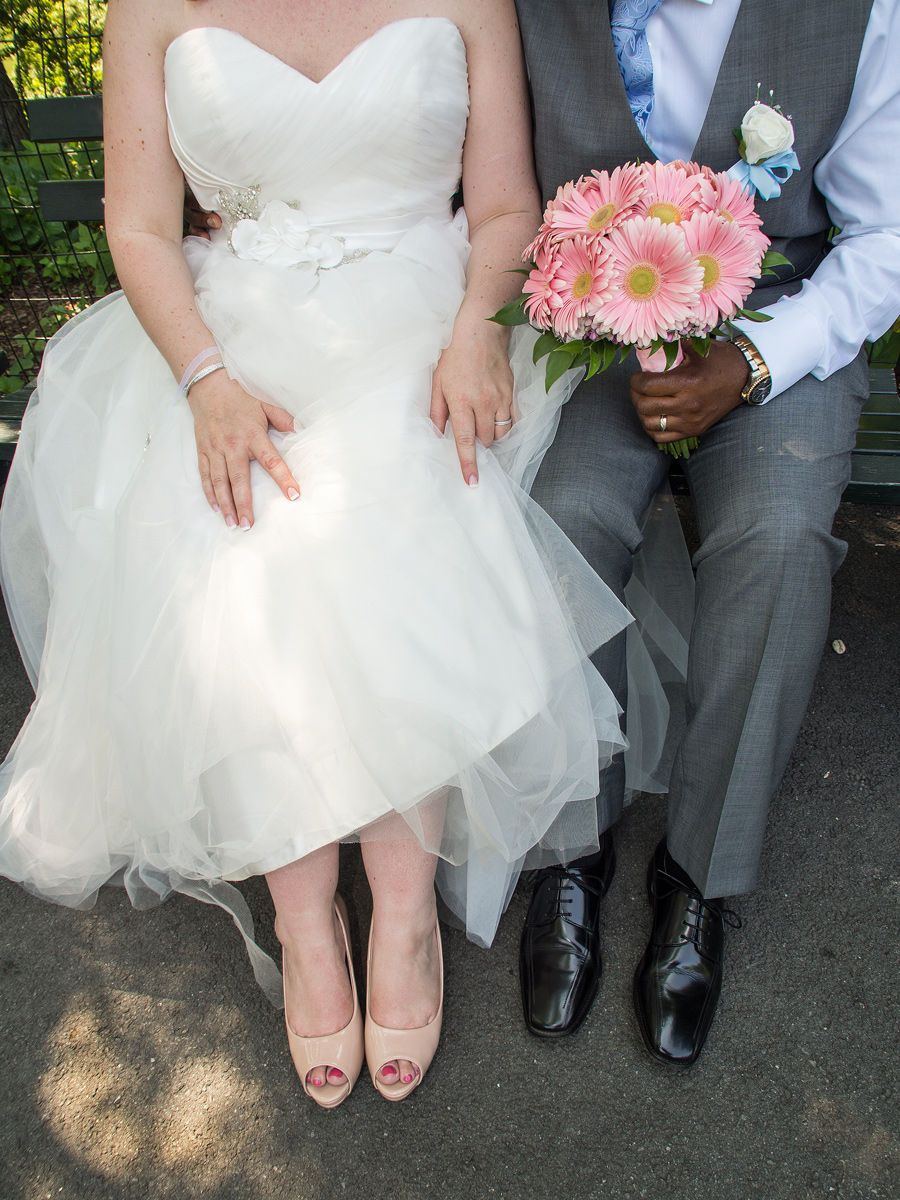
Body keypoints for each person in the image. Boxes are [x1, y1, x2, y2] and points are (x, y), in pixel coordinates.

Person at [0, 0, 665, 1110]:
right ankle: (307, 921)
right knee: (241, 521)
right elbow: (143, 231)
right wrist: (205, 380)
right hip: (230, 333)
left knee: (410, 491)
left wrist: (471, 337)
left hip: (427, 315)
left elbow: (505, 205)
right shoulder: (151, 11)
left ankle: (401, 919)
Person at [513, 0, 900, 1065]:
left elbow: (884, 239)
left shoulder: (856, 13)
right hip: (591, 327)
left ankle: (699, 877)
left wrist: (754, 360)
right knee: (559, 517)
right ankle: (567, 856)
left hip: (781, 321)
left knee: (775, 544)